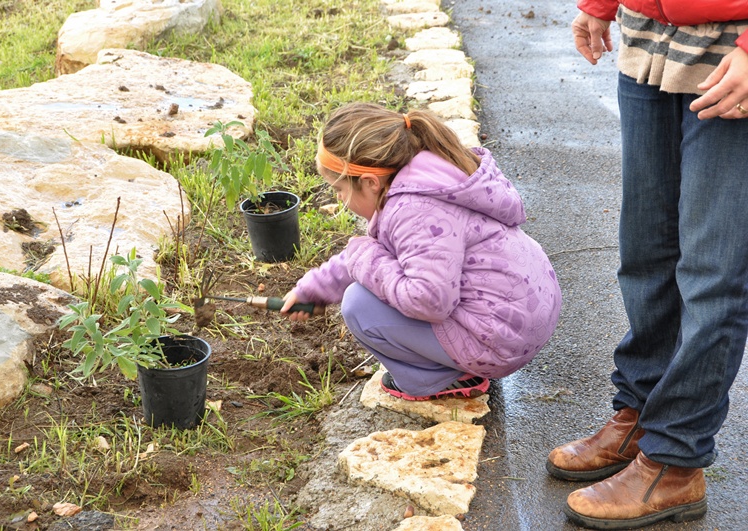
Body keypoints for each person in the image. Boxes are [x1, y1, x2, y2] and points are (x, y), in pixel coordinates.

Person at [546, 1, 748, 529]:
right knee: (646, 248)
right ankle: (639, 414)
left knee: (713, 270)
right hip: (649, 36)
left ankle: (675, 462)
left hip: (733, 49)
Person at [280, 102, 561, 401]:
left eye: (338, 189)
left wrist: (364, 258)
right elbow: (375, 253)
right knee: (374, 269)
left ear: (370, 183)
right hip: (524, 316)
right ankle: (451, 362)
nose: (339, 199)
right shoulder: (426, 174)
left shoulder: (413, 211)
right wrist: (314, 289)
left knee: (358, 304)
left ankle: (438, 379)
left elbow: (428, 301)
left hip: (500, 343)